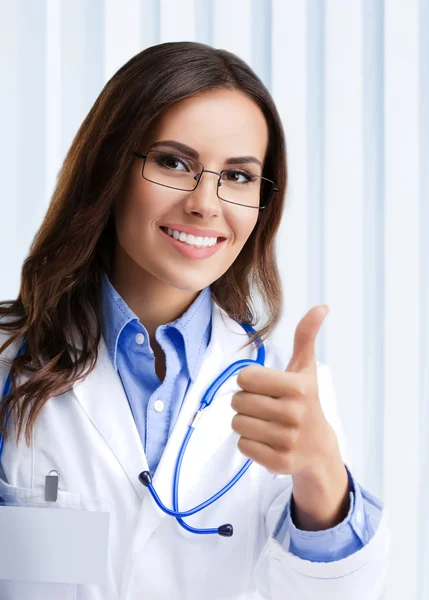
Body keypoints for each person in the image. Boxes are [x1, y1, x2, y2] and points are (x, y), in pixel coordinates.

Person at [0, 41, 388, 599]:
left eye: (237, 176)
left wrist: (322, 474)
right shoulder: (13, 362)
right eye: (173, 162)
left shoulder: (291, 398)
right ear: (109, 166)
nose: (206, 203)